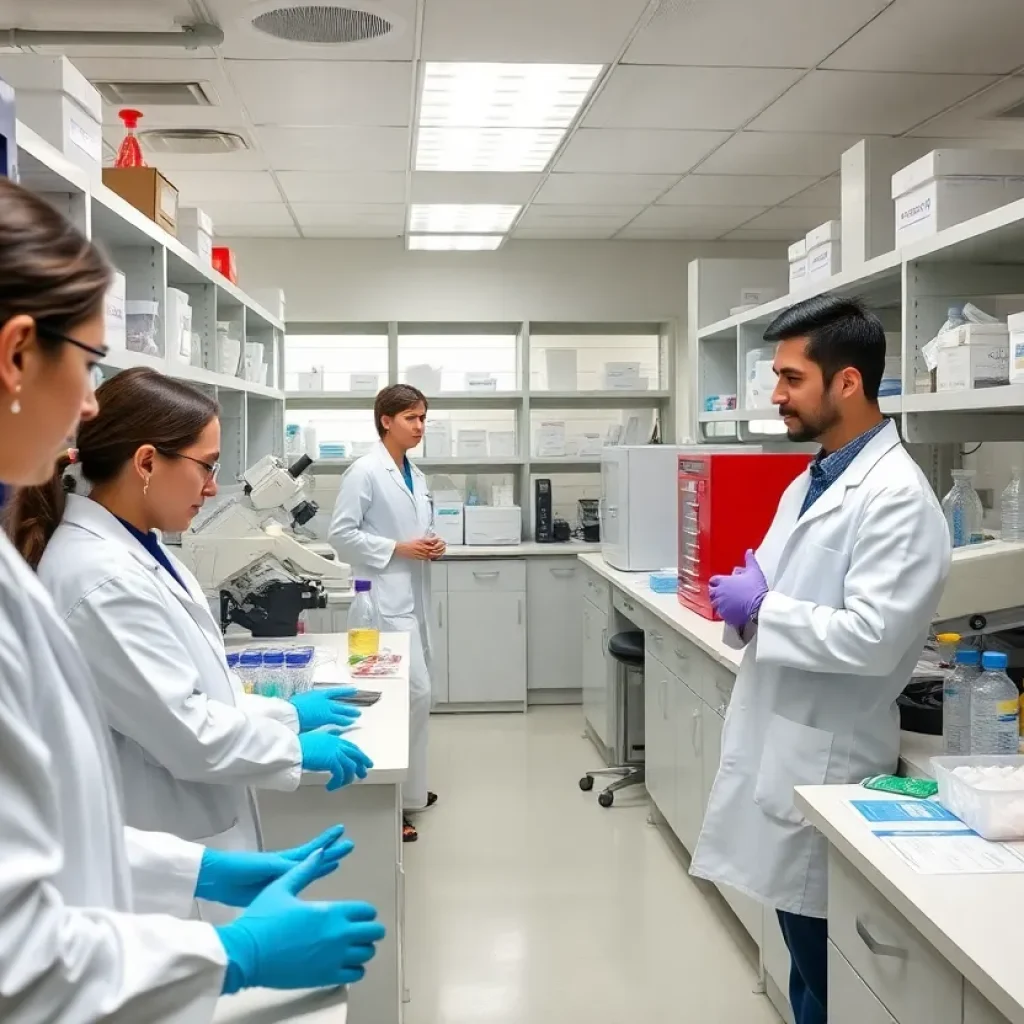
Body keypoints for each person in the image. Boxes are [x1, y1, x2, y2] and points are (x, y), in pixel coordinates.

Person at [0, 175, 384, 1018]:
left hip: (153, 876)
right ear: (18, 354)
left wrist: (204, 861)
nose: (92, 401)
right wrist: (232, 951)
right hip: (120, 948)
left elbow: (55, 830)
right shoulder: (91, 576)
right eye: (90, 364)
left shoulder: (116, 556)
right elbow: (19, 947)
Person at [8, 366, 375, 919]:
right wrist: (295, 747)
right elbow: (188, 734)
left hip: (193, 820)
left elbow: (199, 697)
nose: (211, 487)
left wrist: (286, 714)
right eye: (206, 467)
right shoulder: (99, 578)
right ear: (148, 463)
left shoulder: (143, 548)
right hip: (165, 842)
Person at [689, 294, 951, 1024]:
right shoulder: (815, 477)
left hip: (826, 760)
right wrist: (747, 606)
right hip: (783, 746)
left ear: (847, 383)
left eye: (790, 378)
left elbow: (873, 637)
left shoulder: (897, 497)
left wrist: (763, 609)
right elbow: (777, 590)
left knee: (827, 975)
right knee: (807, 963)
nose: (775, 394)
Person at [329, 384, 443, 842]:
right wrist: (398, 548)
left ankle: (410, 793)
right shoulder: (365, 471)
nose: (419, 427)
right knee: (408, 697)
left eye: (422, 419)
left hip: (412, 598)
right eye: (412, 418)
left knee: (417, 699)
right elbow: (341, 535)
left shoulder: (413, 471)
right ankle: (388, 802)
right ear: (386, 421)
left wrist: (431, 542)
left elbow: (416, 527)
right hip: (380, 603)